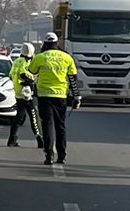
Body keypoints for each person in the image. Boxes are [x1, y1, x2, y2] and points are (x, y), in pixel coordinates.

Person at [28, 33, 80, 165]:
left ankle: (49, 155)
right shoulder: (67, 57)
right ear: (57, 43)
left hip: (44, 97)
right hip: (60, 97)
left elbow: (31, 71)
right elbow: (73, 80)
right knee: (60, 126)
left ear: (45, 44)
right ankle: (62, 155)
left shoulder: (41, 57)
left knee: (47, 125)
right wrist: (76, 97)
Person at [6, 43, 42, 149]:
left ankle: (12, 139)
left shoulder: (16, 61)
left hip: (18, 94)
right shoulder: (25, 62)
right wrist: (31, 81)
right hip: (27, 93)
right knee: (33, 117)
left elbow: (11, 75)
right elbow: (23, 74)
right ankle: (39, 139)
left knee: (19, 118)